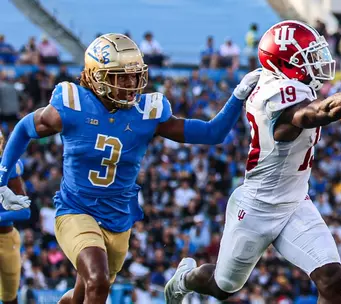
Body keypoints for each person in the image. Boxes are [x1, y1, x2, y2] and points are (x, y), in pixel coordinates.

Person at [0, 33, 261, 304]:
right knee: (97, 280)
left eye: (135, 76)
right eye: (121, 76)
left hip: (119, 218)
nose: (131, 84)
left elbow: (211, 133)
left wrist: (237, 95)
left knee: (83, 293)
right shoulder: (72, 105)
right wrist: (2, 179)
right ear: (96, 76)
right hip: (76, 210)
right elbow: (24, 128)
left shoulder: (147, 113)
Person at [164, 20, 341, 303]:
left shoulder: (282, 82)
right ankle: (184, 280)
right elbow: (321, 112)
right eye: (309, 56)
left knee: (332, 278)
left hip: (295, 202)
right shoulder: (274, 96)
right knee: (222, 287)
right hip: (256, 208)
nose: (317, 61)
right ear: (285, 63)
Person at [0, 130, 31, 304]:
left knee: (10, 297)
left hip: (6, 237)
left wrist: (0, 217)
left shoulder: (8, 168)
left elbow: (25, 210)